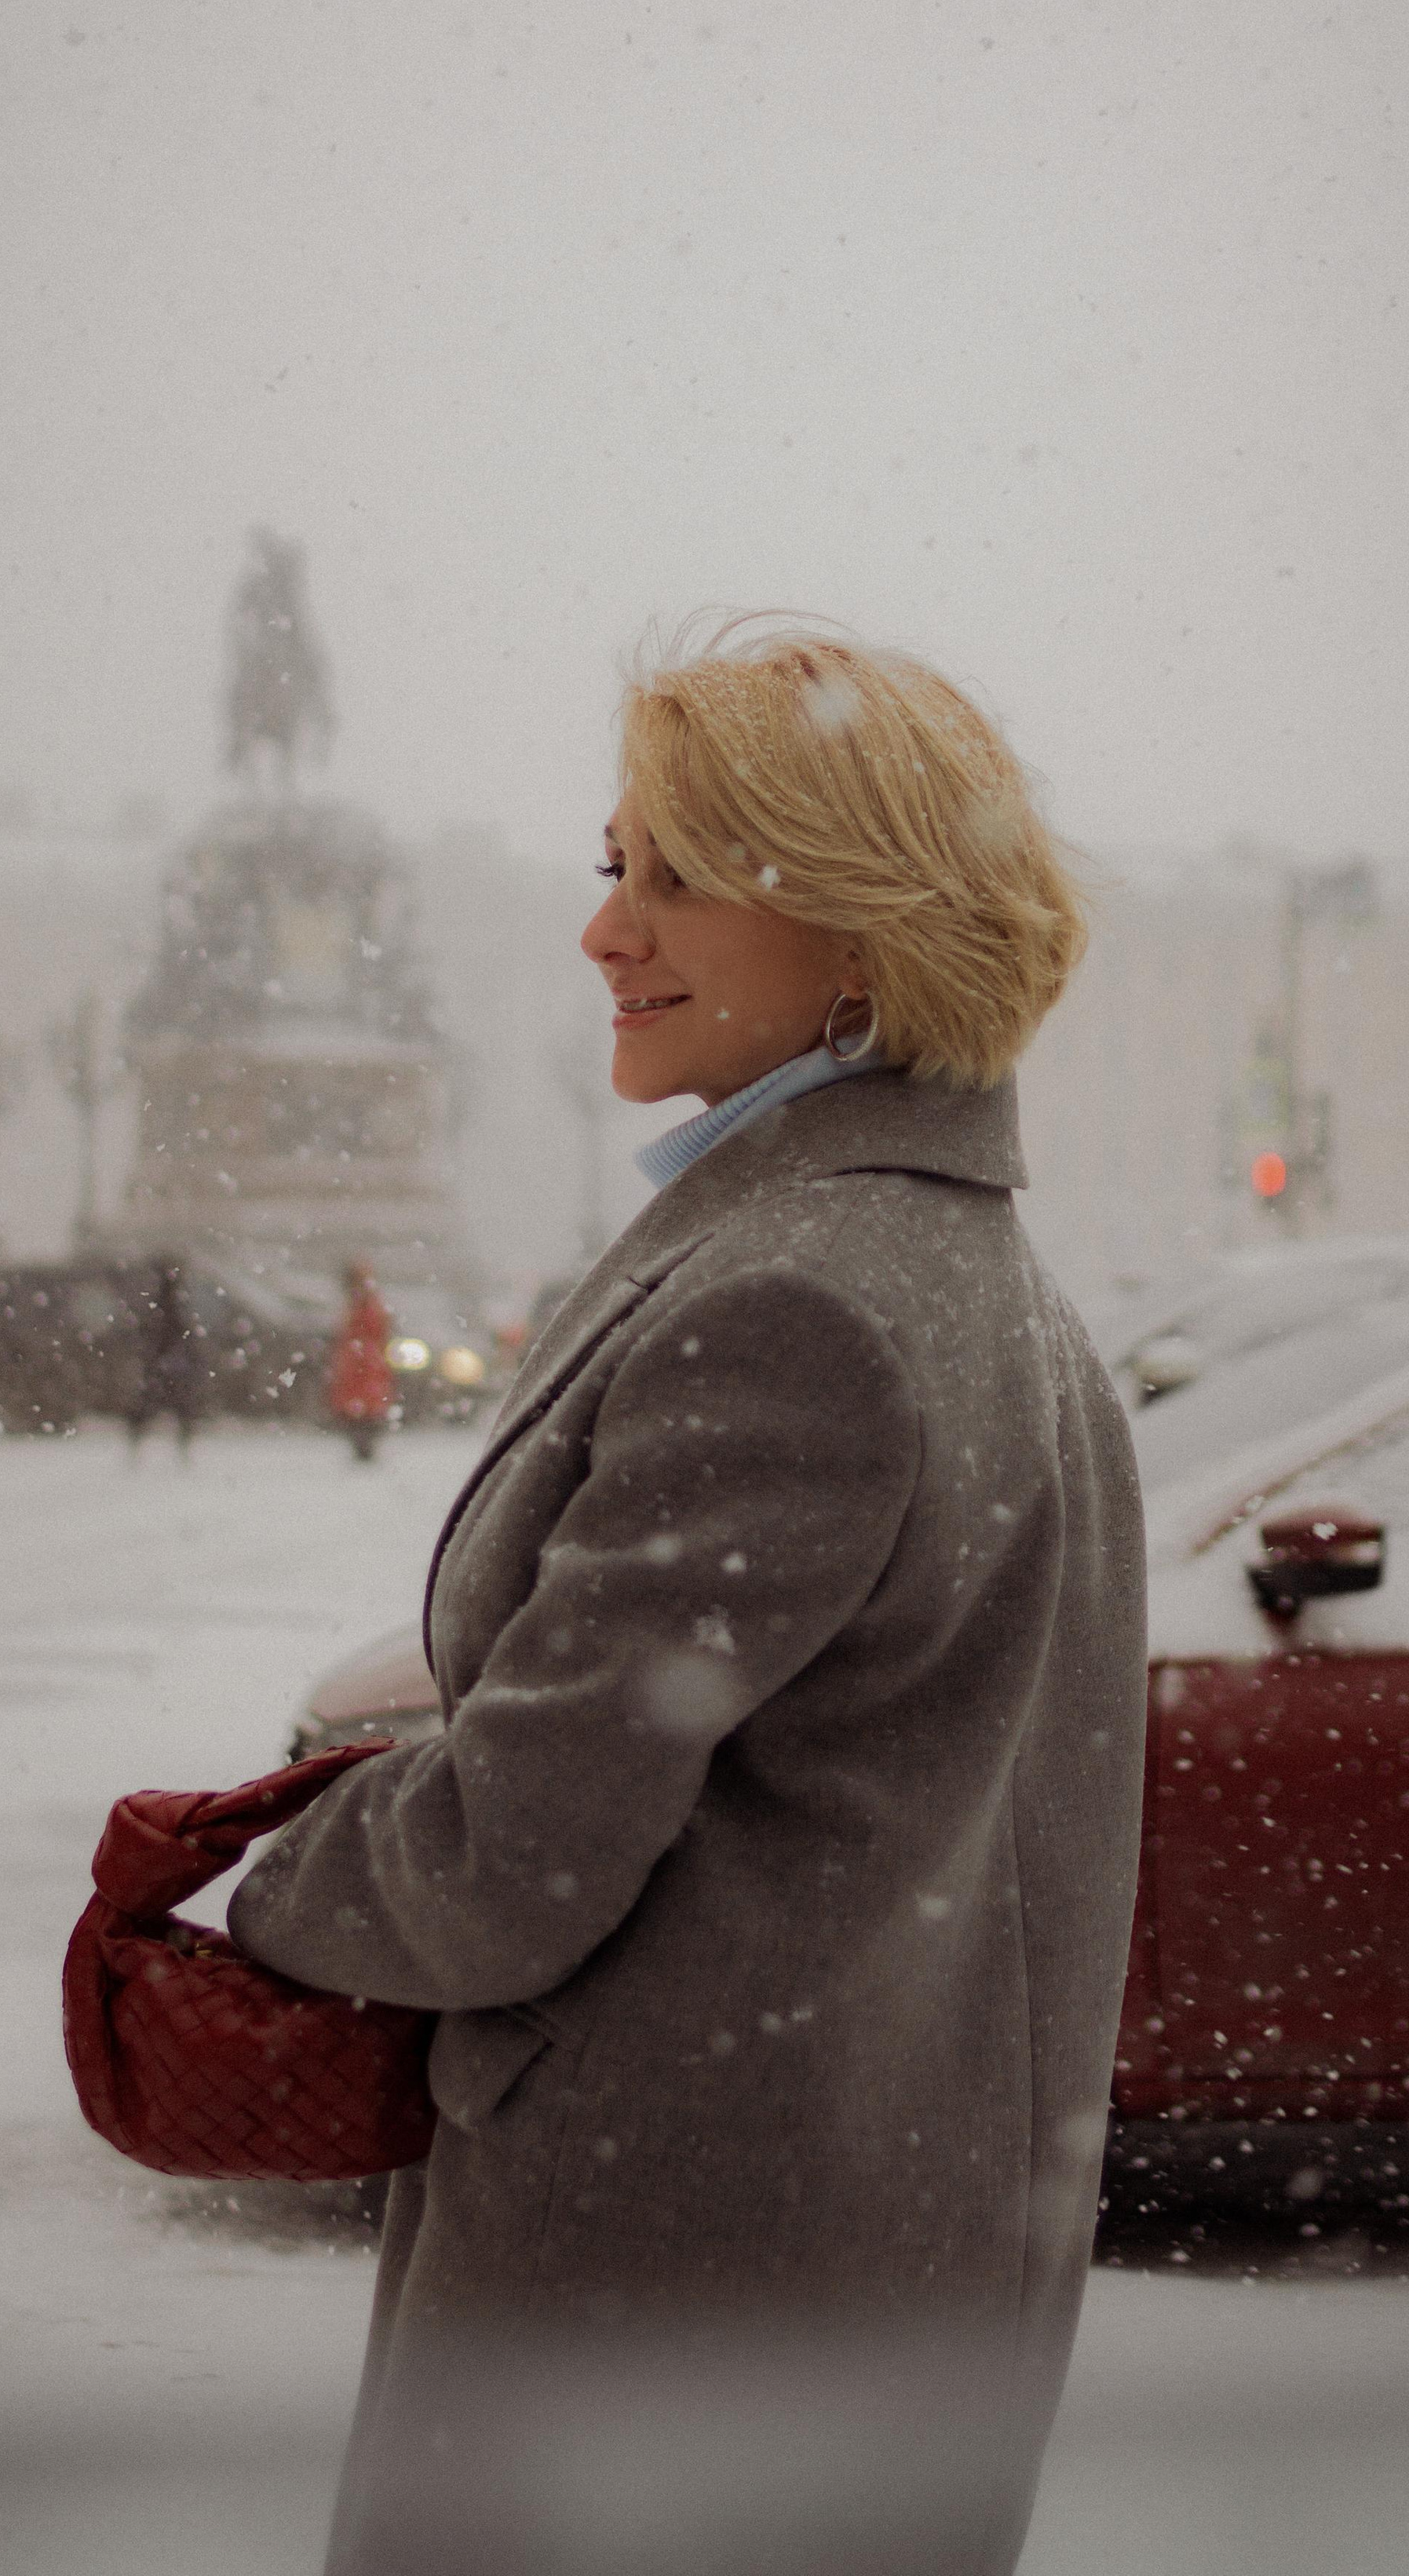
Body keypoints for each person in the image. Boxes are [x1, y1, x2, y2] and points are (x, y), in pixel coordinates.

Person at [228, 626, 1146, 2576]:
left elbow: (507, 1853)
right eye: (607, 864)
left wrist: (268, 1885)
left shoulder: (793, 1303)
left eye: (672, 876)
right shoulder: (978, 1283)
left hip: (663, 2314)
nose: (602, 932)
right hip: (854, 2278)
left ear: (854, 933)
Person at [125, 1257, 205, 1457]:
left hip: (161, 1364)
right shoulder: (175, 1306)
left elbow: (150, 1334)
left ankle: (137, 1445)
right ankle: (181, 1449)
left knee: (149, 1408)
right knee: (179, 1408)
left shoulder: (160, 1307)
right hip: (170, 1363)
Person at [328, 1261, 396, 1461]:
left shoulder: (365, 1306)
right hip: (360, 1365)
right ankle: (363, 1445)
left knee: (364, 1408)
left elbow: (373, 1331)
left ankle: (364, 1445)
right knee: (362, 1408)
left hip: (363, 1364)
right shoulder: (362, 1305)